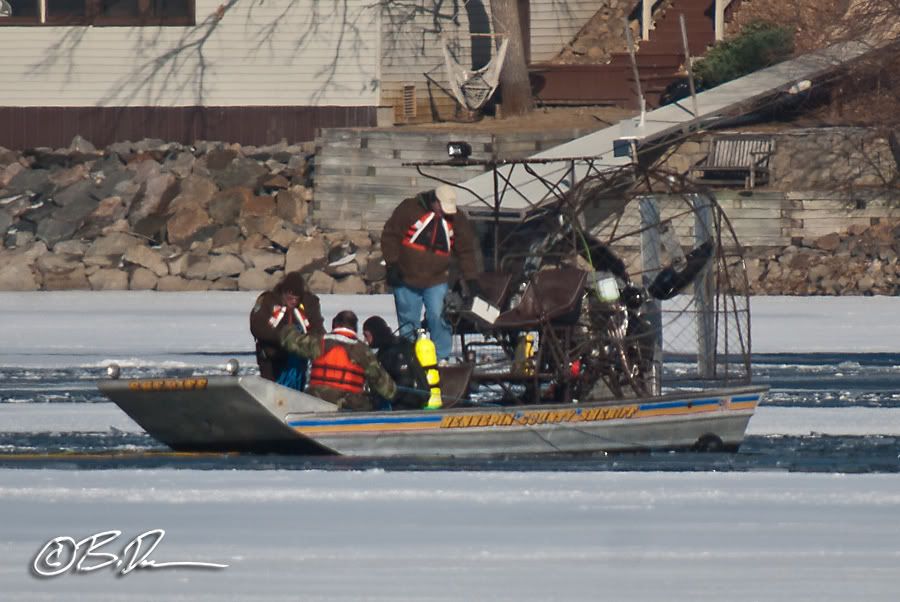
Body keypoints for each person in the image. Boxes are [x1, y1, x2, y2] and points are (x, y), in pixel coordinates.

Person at [380, 184, 481, 362]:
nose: (445, 213)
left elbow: (466, 250)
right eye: (442, 209)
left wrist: (471, 278)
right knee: (409, 321)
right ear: (434, 202)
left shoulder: (457, 219)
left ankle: (441, 357)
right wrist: (392, 264)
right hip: (406, 277)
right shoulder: (409, 209)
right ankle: (411, 357)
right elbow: (390, 236)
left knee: (438, 316)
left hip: (437, 279)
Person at [305, 310, 397, 411]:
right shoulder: (362, 350)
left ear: (335, 325)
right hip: (348, 404)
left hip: (315, 398)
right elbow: (387, 388)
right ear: (355, 328)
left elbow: (289, 339)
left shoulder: (317, 342)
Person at [249, 271, 325, 389]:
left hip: (298, 361)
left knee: (295, 391)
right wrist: (284, 337)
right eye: (290, 297)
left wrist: (308, 343)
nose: (293, 301)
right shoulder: (268, 301)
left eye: (296, 298)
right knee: (272, 391)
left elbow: (318, 328)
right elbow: (257, 327)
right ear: (284, 292)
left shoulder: (309, 304)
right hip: (271, 358)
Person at [362, 316, 430, 411]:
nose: (365, 340)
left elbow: (405, 380)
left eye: (366, 336)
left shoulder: (395, 350)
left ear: (375, 334)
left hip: (408, 403)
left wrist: (386, 399)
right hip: (405, 401)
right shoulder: (390, 347)